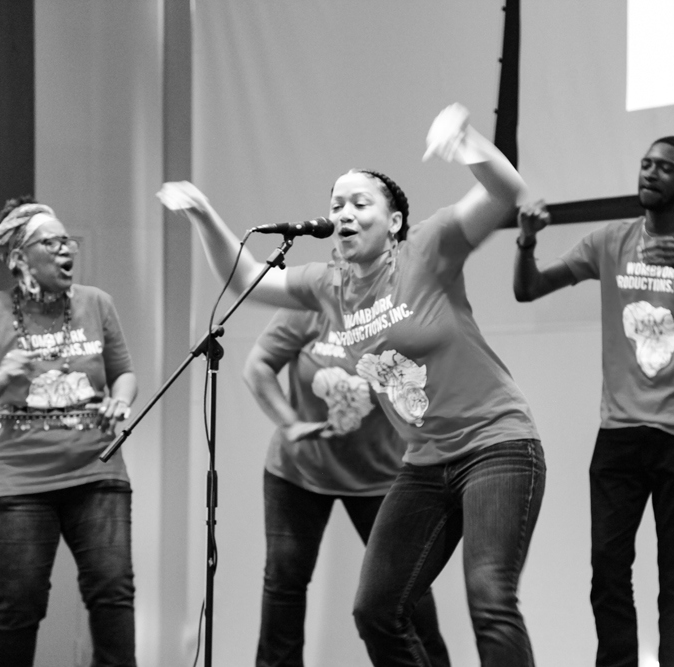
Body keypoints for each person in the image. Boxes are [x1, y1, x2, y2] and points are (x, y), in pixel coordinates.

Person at [158, 103, 545, 666]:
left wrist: (466, 142)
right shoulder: (327, 287)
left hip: (497, 445)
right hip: (425, 461)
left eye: (360, 203)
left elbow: (505, 192)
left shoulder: (427, 251)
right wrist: (202, 212)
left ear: (392, 223)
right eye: (336, 204)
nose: (343, 212)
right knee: (376, 610)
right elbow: (243, 277)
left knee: (489, 597)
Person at [514, 137, 674, 667]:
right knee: (607, 567)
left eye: (665, 168)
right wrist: (526, 244)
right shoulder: (610, 239)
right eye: (645, 164)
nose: (649, 173)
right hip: (619, 432)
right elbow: (528, 291)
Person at [0, 197, 138, 666]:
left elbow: (123, 372)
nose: (64, 250)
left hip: (97, 473)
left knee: (112, 595)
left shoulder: (97, 304)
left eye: (66, 240)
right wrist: (2, 377)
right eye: (51, 242)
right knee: (18, 607)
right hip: (19, 483)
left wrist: (121, 398)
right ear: (19, 257)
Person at [244, 307, 449, 666]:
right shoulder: (308, 304)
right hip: (298, 473)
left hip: (383, 477)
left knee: (405, 593)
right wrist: (289, 423)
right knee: (284, 584)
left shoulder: (399, 308)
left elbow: (430, 383)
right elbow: (257, 364)